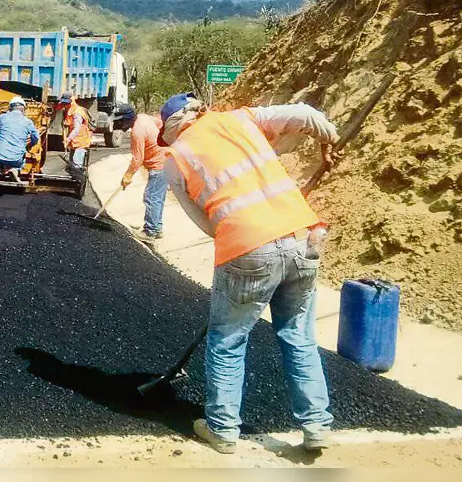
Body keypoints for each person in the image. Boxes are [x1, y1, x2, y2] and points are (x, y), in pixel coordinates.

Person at [158, 92, 341, 455]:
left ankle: (223, 429)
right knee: (298, 336)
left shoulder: (176, 159)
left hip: (247, 246)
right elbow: (304, 114)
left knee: (227, 340)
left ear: (172, 128)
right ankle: (317, 424)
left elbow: (205, 221)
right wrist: (329, 140)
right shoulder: (240, 119)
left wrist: (242, 242)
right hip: (302, 236)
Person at [119, 107, 167, 242]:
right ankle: (157, 228)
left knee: (151, 197)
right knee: (158, 197)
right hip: (166, 160)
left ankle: (150, 232)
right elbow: (159, 123)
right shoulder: (143, 118)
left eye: (121, 122)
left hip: (159, 164)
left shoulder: (137, 133)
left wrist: (127, 176)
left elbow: (137, 159)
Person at [0, 96, 39, 183]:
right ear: (23, 109)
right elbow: (36, 137)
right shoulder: (28, 122)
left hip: (0, 155)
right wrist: (30, 145)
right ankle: (15, 170)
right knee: (22, 157)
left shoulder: (2, 117)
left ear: (10, 108)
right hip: (16, 159)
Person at [60, 91, 91, 170]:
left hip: (80, 142)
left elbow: (77, 128)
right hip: (74, 142)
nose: (65, 105)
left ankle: (79, 180)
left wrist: (68, 139)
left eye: (67, 103)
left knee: (76, 165)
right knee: (71, 166)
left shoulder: (77, 112)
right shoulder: (70, 110)